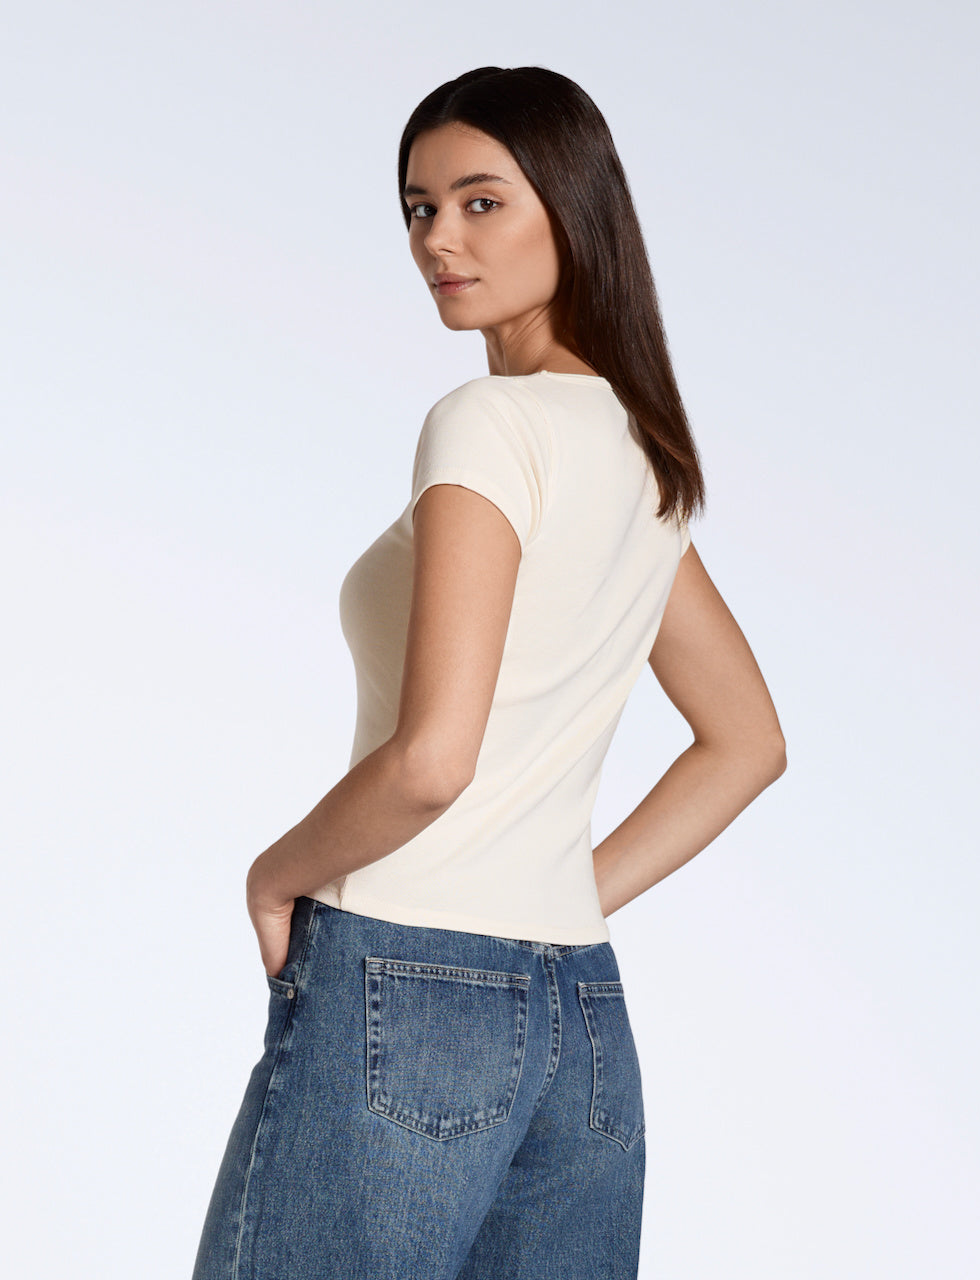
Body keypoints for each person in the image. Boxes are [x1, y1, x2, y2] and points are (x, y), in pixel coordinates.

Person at [191, 65, 786, 1280]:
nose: (438, 241)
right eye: (417, 209)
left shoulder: (490, 426)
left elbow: (431, 760)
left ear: (571, 206)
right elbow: (748, 740)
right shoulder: (637, 455)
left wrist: (273, 874)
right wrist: (560, 890)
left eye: (479, 202)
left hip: (399, 990)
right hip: (579, 1021)